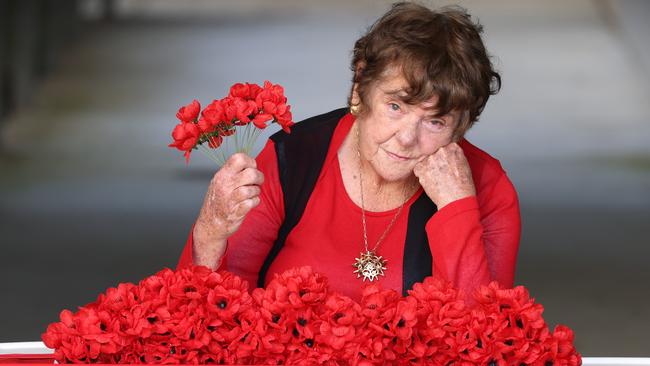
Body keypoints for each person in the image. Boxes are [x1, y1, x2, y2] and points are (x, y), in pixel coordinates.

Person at [177, 2, 520, 302]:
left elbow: (480, 343)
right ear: (360, 88)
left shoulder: (488, 189)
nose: (406, 139)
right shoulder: (293, 158)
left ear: (461, 128)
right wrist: (209, 234)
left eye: (435, 122)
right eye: (396, 106)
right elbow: (208, 317)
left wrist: (456, 208)